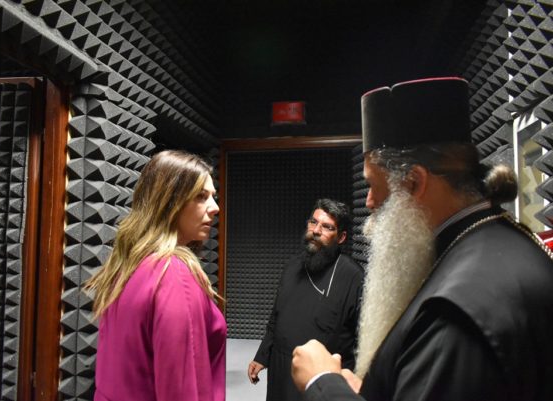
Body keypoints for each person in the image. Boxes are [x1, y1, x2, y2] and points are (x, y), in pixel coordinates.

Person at [291, 77, 553, 401]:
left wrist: (322, 383)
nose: (369, 201)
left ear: (414, 182)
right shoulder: (496, 240)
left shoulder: (454, 313)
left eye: (373, 184)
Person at [86, 150, 226, 401]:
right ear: (169, 201)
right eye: (201, 196)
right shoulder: (173, 275)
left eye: (212, 197)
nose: (215, 208)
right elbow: (182, 389)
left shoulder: (127, 265)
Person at [249, 199, 364, 401]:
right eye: (313, 222)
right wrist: (262, 355)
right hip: (280, 369)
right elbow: (276, 315)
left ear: (341, 237)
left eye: (327, 227)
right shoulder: (292, 266)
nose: (316, 230)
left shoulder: (353, 276)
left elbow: (360, 340)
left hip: (321, 379)